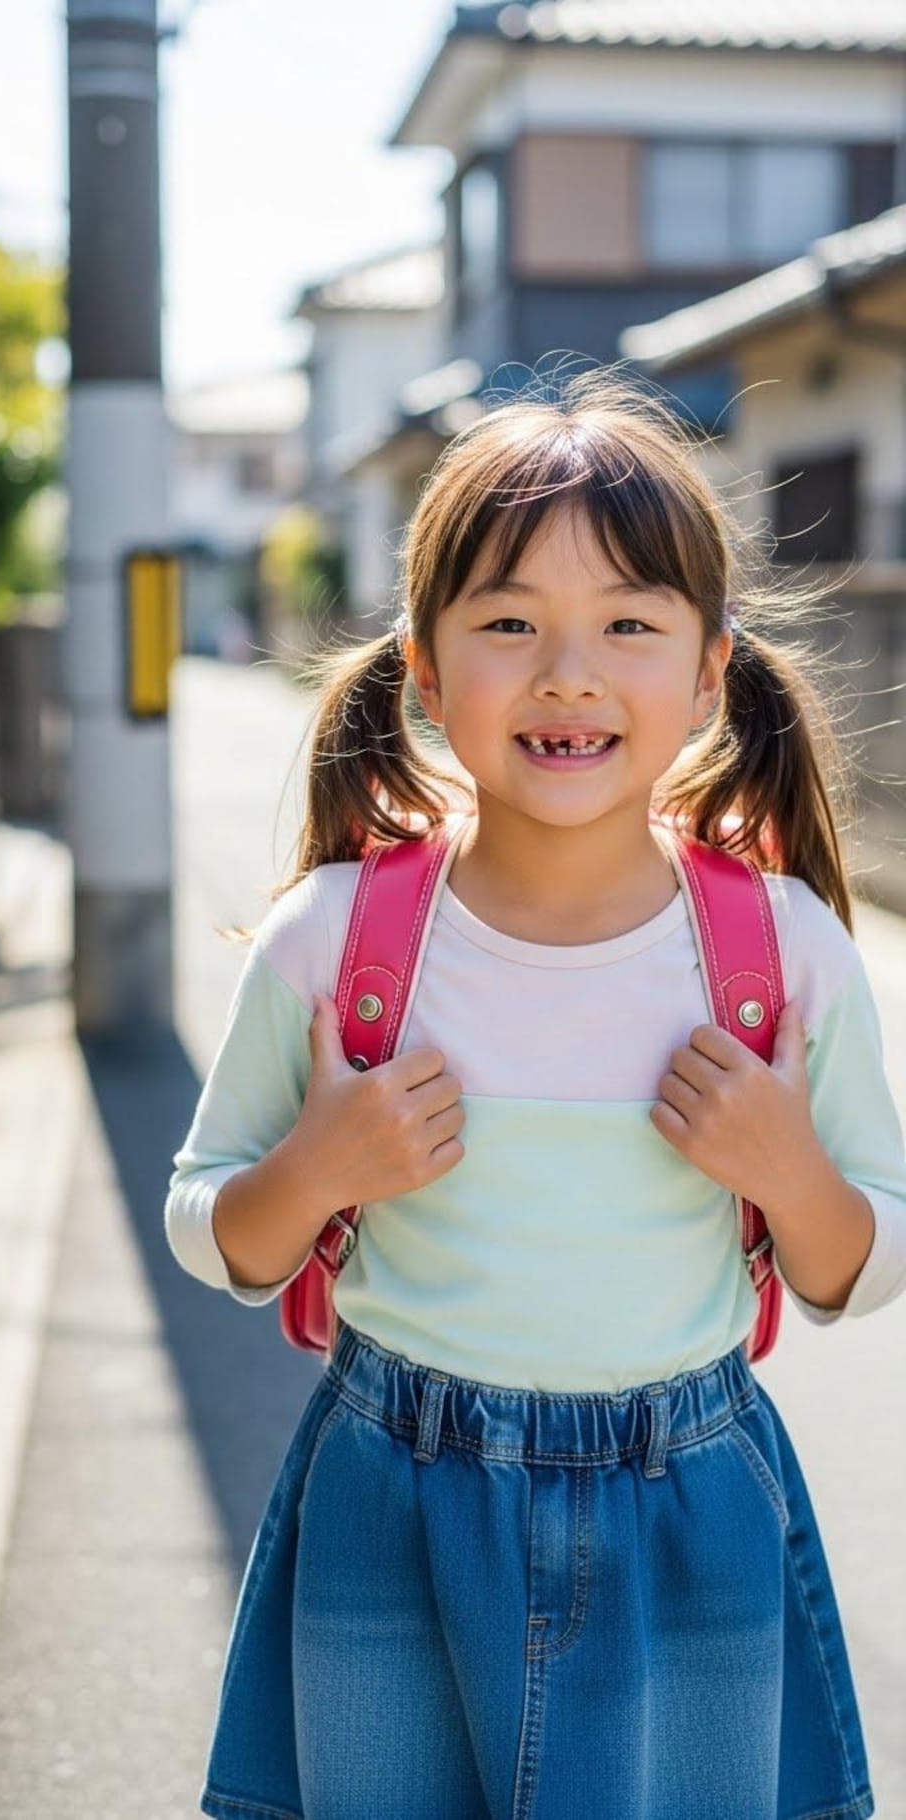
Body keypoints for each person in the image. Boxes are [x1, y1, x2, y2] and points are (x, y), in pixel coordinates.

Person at [164, 366, 906, 1820]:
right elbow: (216, 1230)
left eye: (629, 624)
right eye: (510, 624)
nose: (570, 671)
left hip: (687, 1507)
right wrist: (314, 1173)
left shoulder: (780, 954)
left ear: (708, 672)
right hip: (393, 1497)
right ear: (426, 672)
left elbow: (860, 1262)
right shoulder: (336, 941)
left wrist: (789, 1173)